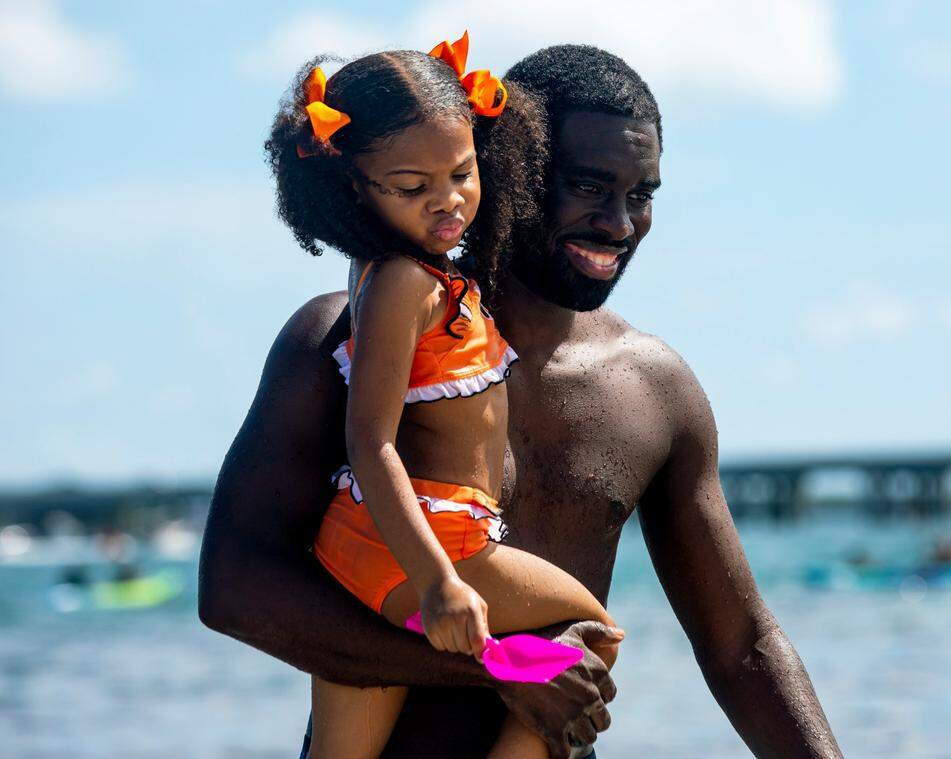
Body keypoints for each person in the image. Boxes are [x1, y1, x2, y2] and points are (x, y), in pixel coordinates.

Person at [200, 44, 842, 759]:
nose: (620, 224)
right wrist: (496, 669)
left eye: (642, 194)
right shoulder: (344, 340)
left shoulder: (654, 390)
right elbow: (236, 588)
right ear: (512, 164)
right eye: (588, 186)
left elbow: (742, 646)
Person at [263, 36, 618, 759]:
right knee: (593, 633)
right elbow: (371, 440)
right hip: (429, 544)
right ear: (350, 188)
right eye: (411, 185)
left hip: (369, 542)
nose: (447, 200)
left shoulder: (403, 272)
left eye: (461, 172)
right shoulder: (403, 283)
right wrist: (438, 584)